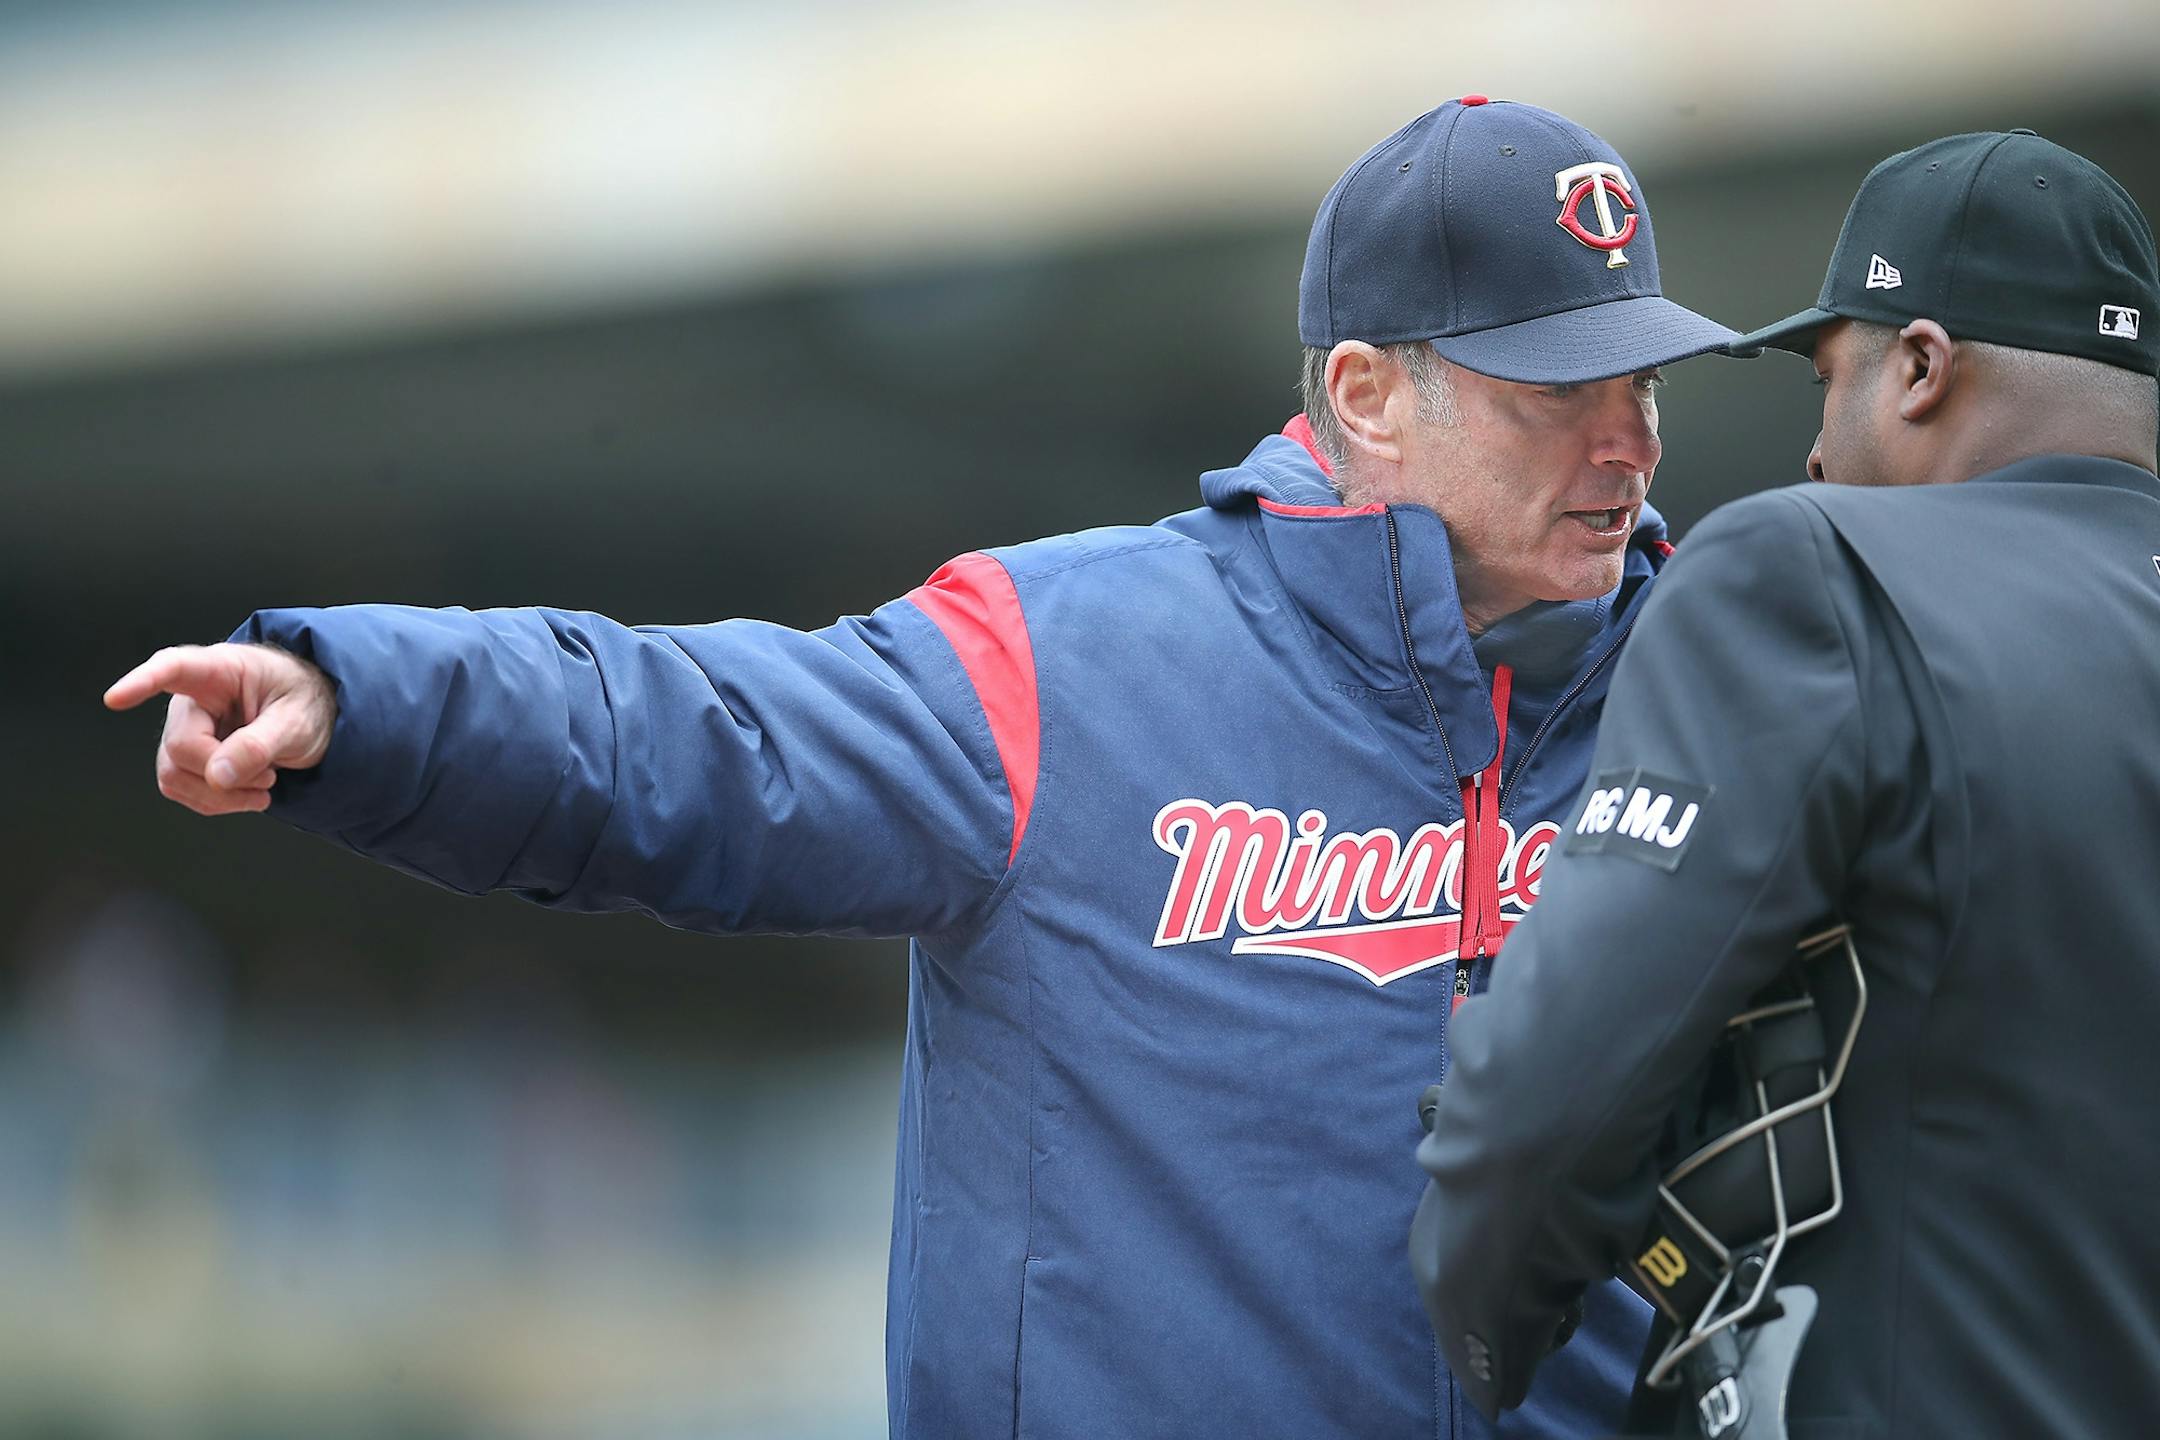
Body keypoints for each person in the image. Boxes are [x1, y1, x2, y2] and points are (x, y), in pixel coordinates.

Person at [106, 97, 1736, 1439]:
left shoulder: (1725, 693)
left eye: (1645, 381)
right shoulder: (1074, 658)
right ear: (1369, 397)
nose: (1631, 444)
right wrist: (361, 695)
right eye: (1560, 392)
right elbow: (698, 736)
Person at [1411, 128, 2160, 1439]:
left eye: (1831, 380)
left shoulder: (1815, 569)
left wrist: (1483, 1333)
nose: (1814, 453)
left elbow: (1547, 1101)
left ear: (1920, 366)